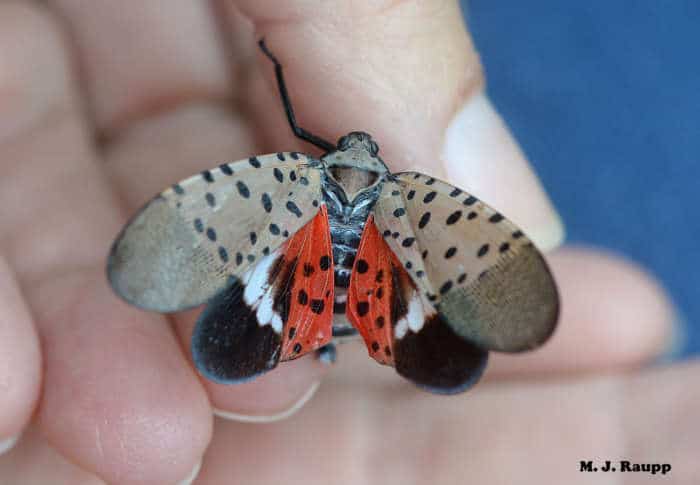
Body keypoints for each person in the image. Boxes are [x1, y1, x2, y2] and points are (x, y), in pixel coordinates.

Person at [0, 2, 691, 484]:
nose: (356, 150)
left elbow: (299, 117)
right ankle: (346, 327)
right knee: (409, 311)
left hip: (301, 261)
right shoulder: (406, 188)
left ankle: (312, 326)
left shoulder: (298, 167)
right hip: (373, 263)